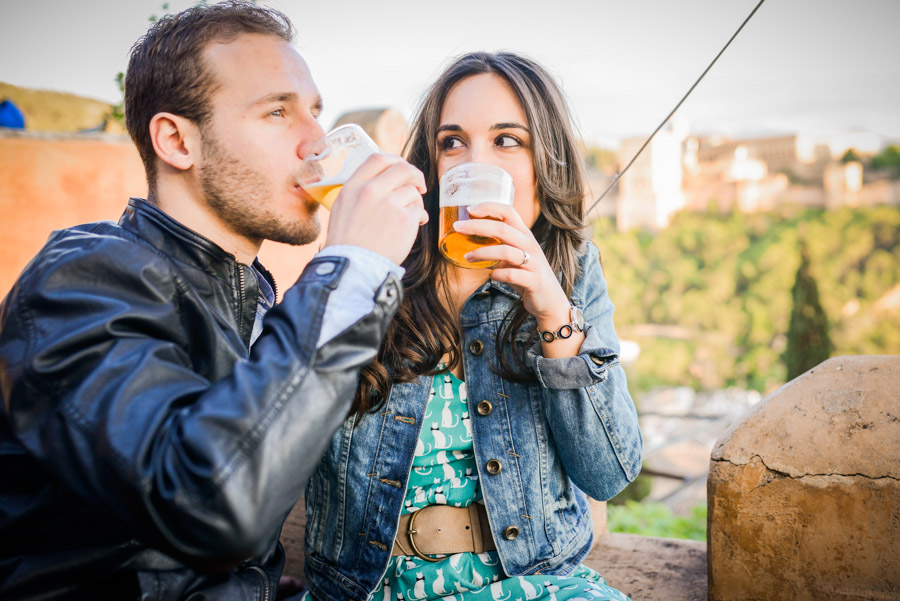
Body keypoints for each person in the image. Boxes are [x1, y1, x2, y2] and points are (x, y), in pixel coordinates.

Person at [0, 2, 428, 599]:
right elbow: (208, 503)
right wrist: (353, 267)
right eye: (277, 112)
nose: (315, 143)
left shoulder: (250, 294)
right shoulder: (82, 279)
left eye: (315, 113)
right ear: (177, 140)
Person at [301, 52, 643, 601]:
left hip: (536, 584)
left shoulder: (572, 271)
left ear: (544, 161)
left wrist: (553, 314)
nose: (470, 164)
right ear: (432, 165)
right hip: (369, 589)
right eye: (452, 142)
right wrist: (347, 270)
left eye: (507, 140)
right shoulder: (376, 263)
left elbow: (608, 474)